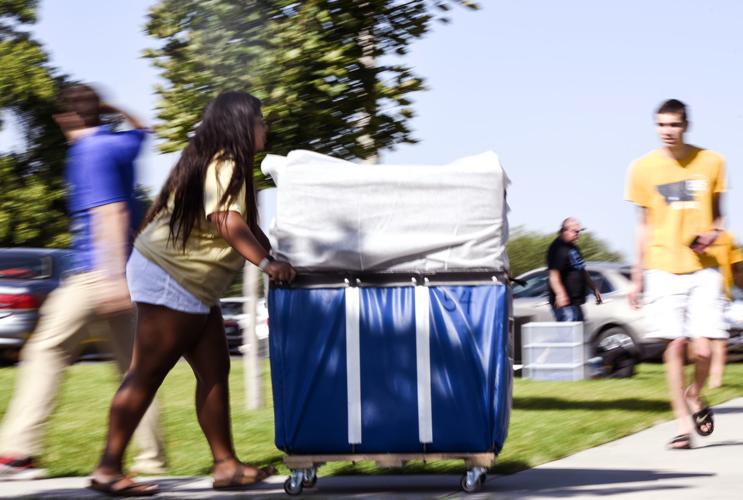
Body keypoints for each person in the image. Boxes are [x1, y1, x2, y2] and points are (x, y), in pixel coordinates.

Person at [90, 91, 296, 496]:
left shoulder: (225, 163)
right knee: (146, 373)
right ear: (241, 125)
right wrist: (267, 265)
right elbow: (225, 220)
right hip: (171, 277)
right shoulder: (225, 163)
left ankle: (226, 466)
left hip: (187, 282)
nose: (265, 127)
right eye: (260, 120)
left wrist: (274, 253)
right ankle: (108, 468)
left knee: (215, 370)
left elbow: (246, 227)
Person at [0, 85, 166, 479]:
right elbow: (144, 127)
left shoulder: (89, 152)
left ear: (63, 119)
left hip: (98, 273)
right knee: (134, 370)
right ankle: (152, 459)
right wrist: (115, 107)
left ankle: (19, 451)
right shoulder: (120, 144)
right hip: (126, 271)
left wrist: (111, 280)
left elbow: (111, 213)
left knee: (46, 349)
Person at [626, 98, 725, 450]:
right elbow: (643, 225)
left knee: (704, 348)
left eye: (674, 125)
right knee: (676, 343)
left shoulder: (711, 161)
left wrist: (713, 234)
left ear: (686, 126)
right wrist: (638, 274)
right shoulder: (642, 168)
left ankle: (695, 394)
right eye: (661, 125)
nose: (667, 131)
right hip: (662, 266)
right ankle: (683, 424)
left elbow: (718, 216)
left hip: (703, 267)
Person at [701, 230, 743, 389]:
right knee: (704, 340)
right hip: (697, 293)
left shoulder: (727, 238)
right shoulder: (690, 231)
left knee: (719, 339)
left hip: (720, 294)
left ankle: (715, 380)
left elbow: (736, 269)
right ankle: (707, 378)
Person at [546, 217, 602, 321]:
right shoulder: (557, 248)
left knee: (579, 334)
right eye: (575, 231)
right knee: (568, 335)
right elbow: (553, 276)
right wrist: (560, 294)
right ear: (565, 230)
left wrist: (594, 289)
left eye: (579, 231)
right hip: (565, 305)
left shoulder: (574, 248)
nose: (578, 234)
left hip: (576, 303)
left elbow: (582, 270)